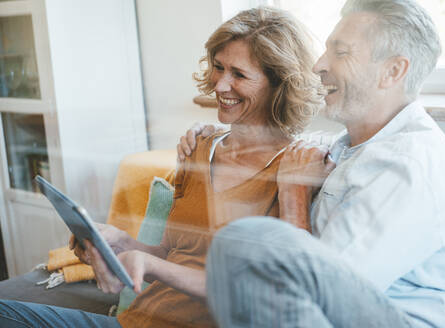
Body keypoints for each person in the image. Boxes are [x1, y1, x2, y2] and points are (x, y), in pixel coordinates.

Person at [0, 7, 327, 328]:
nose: (220, 85)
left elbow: (262, 292)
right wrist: (119, 243)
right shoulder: (198, 147)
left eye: (239, 74)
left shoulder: (293, 170)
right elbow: (172, 249)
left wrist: (152, 266)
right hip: (135, 320)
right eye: (218, 67)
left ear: (278, 84)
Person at [180, 0, 445, 327]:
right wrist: (218, 135)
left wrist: (294, 193)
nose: (319, 66)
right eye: (326, 50)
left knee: (246, 242)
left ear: (393, 71)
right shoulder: (357, 146)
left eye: (341, 53)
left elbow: (312, 296)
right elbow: (288, 145)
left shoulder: (407, 165)